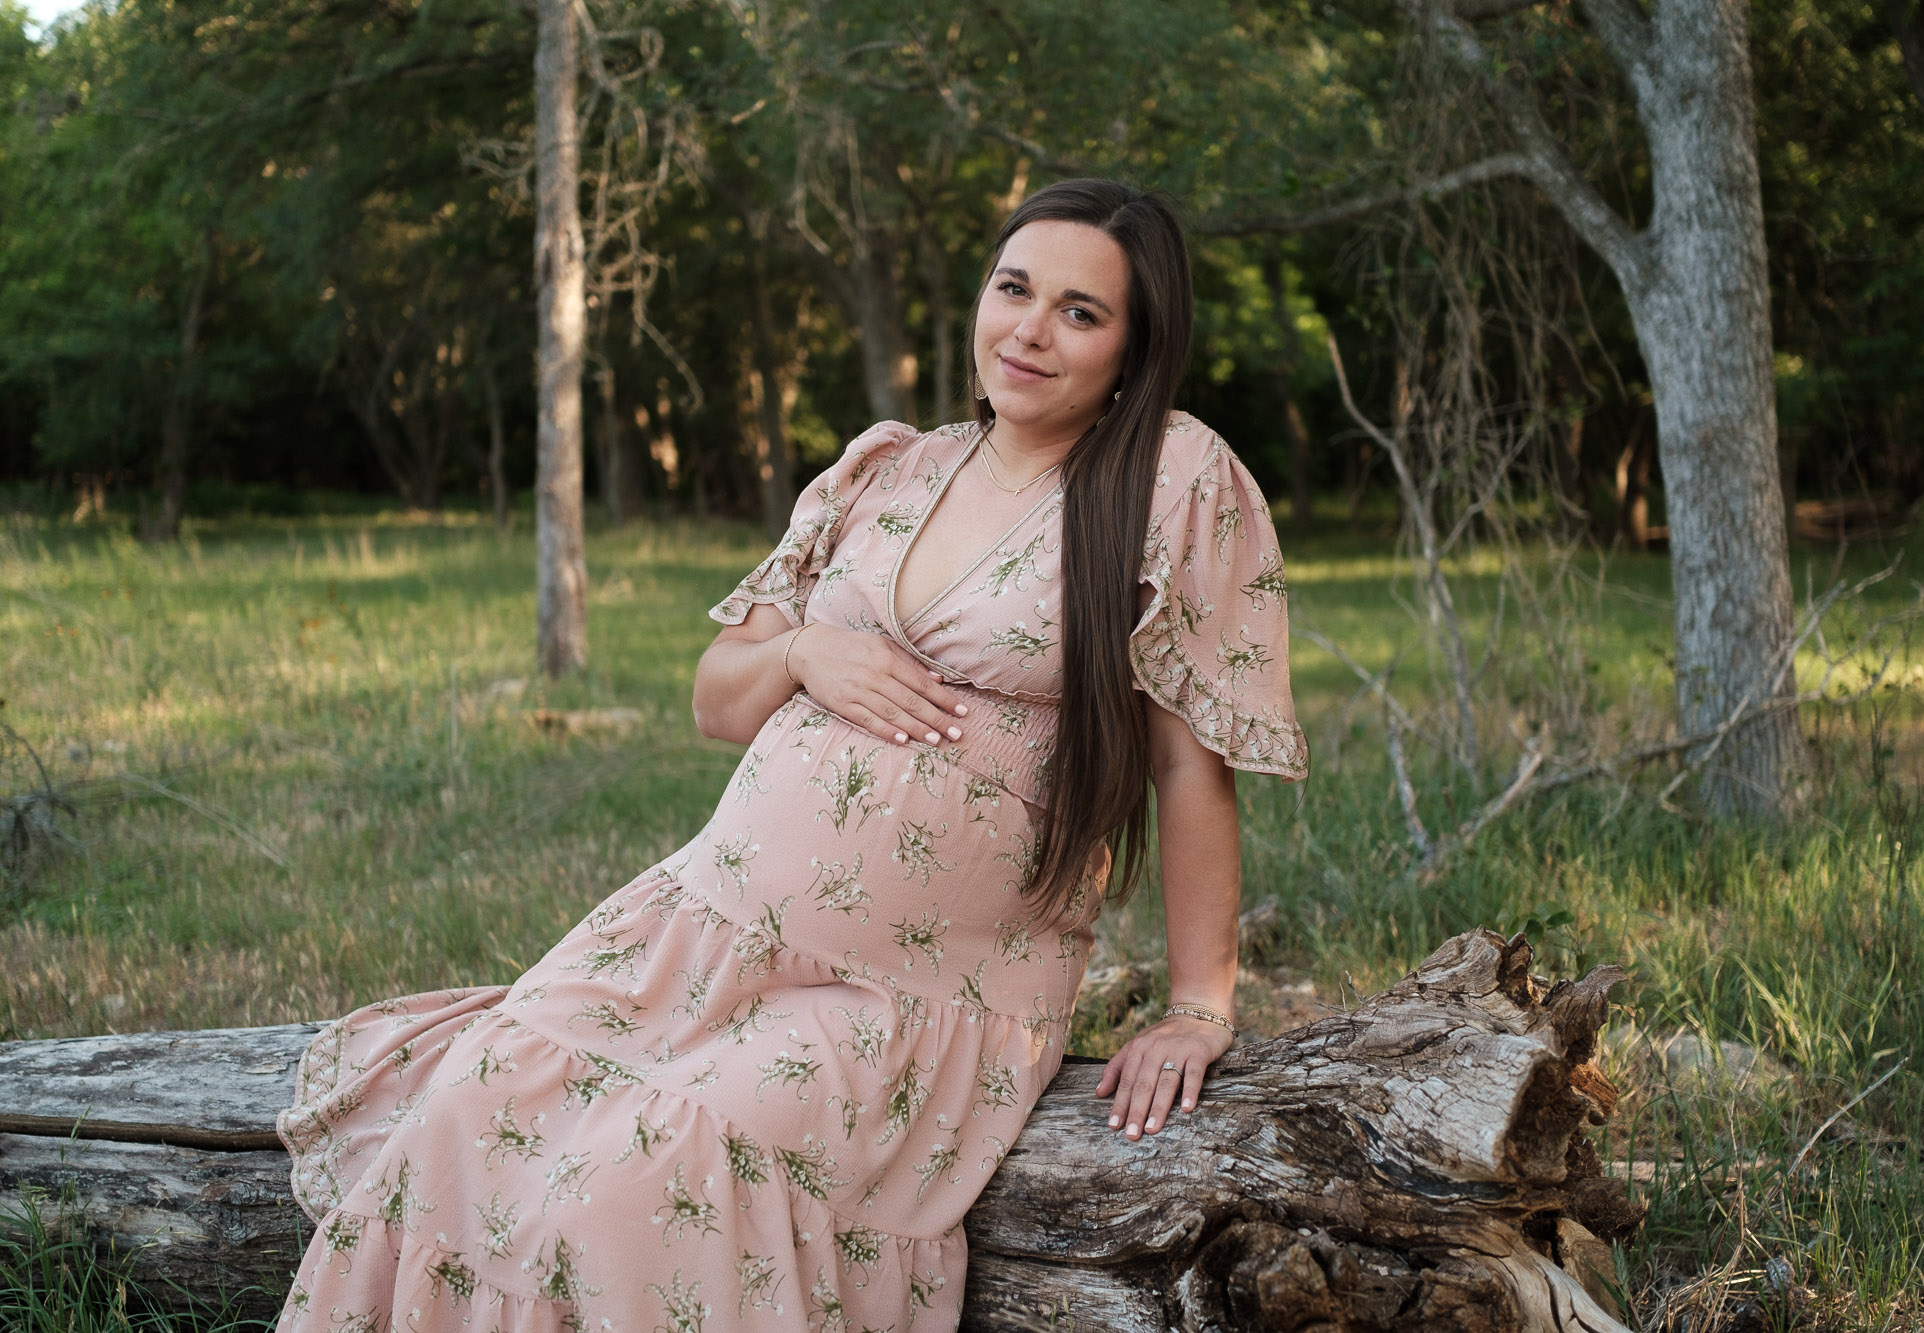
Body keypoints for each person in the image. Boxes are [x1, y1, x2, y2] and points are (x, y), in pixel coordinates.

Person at [274, 178, 1307, 1333]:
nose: (1027, 328)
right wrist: (809, 648)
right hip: (700, 930)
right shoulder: (889, 468)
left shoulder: (1168, 481)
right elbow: (718, 697)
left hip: (918, 989)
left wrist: (1198, 1006)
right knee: (469, 1106)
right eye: (1012, 289)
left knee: (652, 1173)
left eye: (1079, 311)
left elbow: (1186, 769)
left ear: (1133, 346)